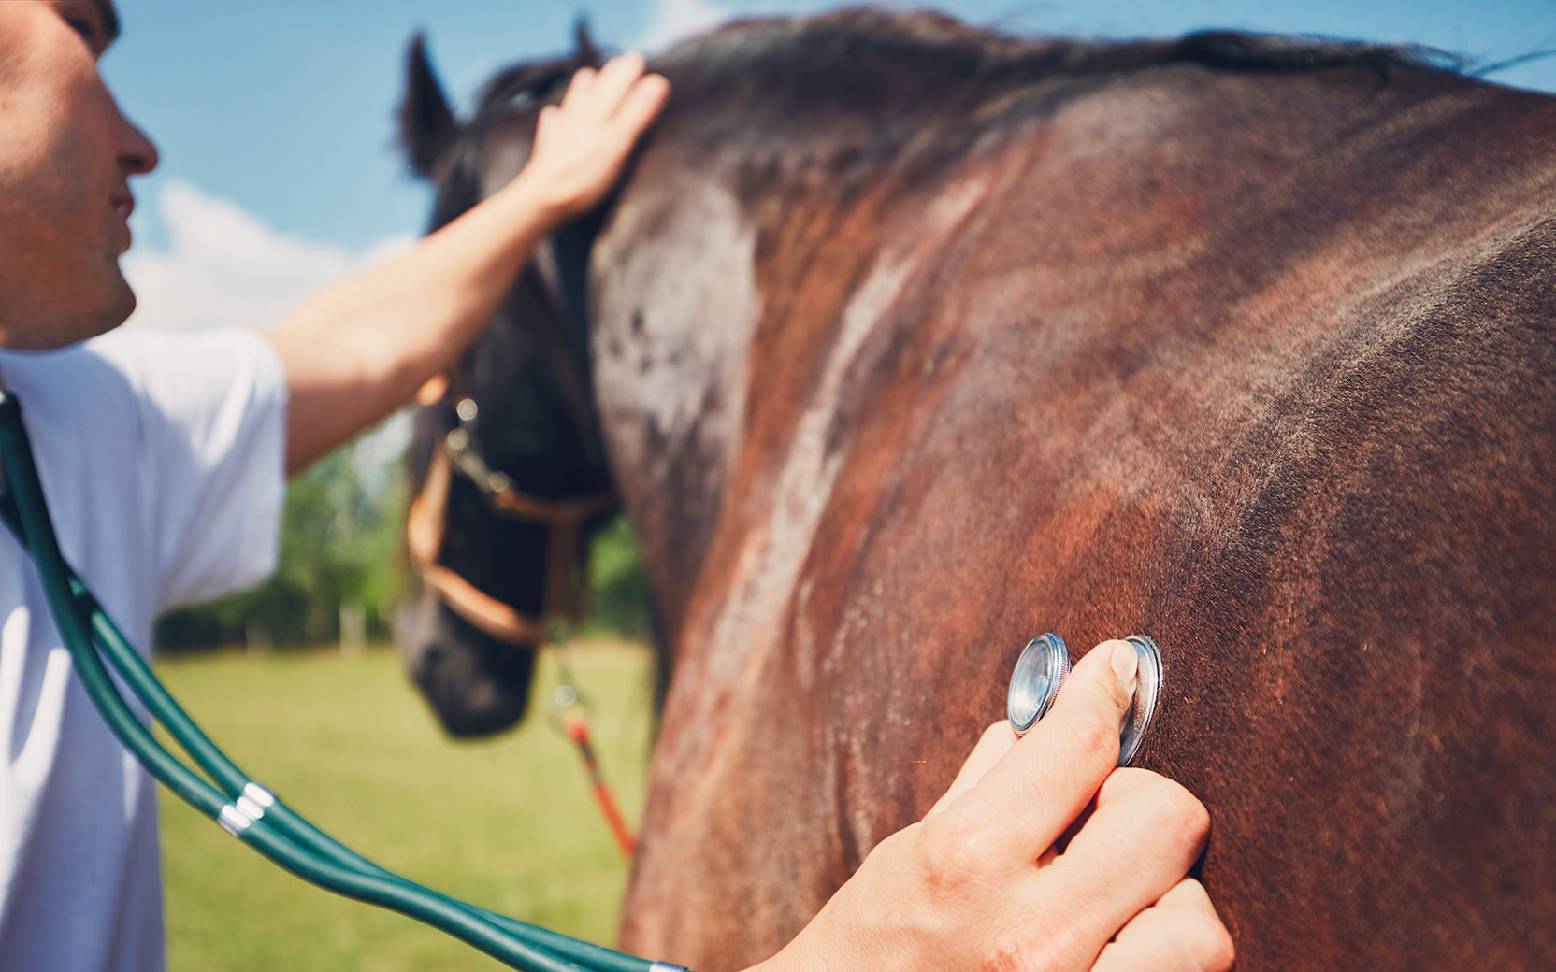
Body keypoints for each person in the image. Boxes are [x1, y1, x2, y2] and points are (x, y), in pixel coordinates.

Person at [0, 2, 1233, 970]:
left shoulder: (75, 419)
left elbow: (358, 346)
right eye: (76, 25)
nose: (140, 136)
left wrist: (537, 194)